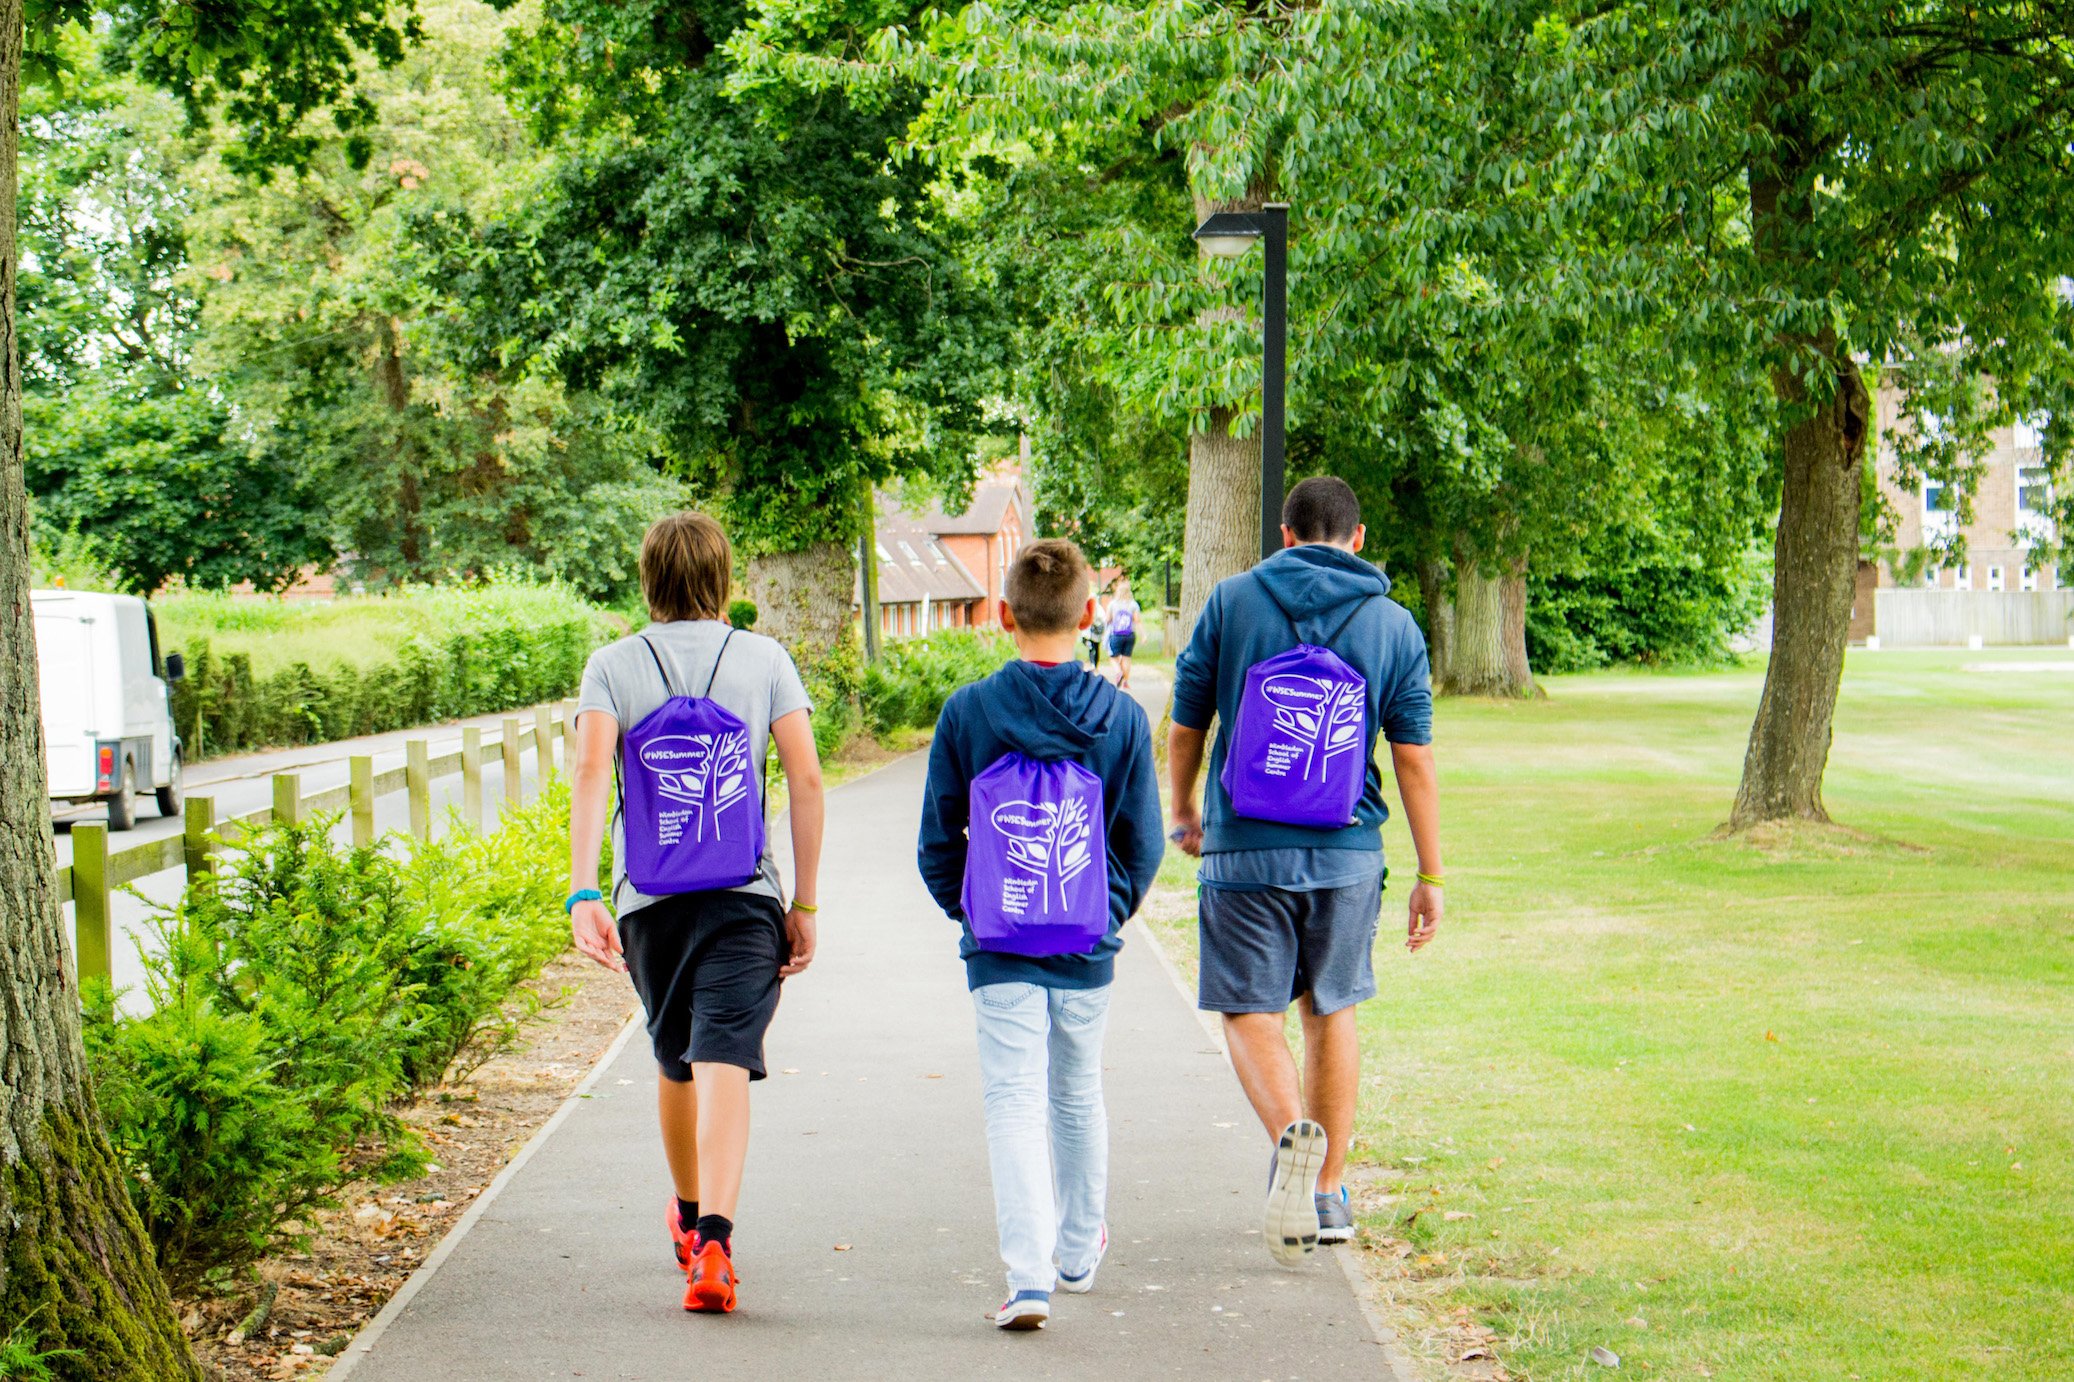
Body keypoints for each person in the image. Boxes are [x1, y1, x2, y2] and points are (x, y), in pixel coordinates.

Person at [1167, 476, 1444, 1267]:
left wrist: (1184, 808)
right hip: (1347, 853)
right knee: (1333, 1008)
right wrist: (1432, 873)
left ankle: (1291, 1135)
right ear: (1358, 539)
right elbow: (1414, 761)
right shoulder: (1392, 623)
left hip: (1244, 846)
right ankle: (1325, 1190)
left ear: (1285, 535)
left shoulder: (1232, 601)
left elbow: (1189, 718)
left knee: (1250, 1007)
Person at [567, 511, 824, 1315]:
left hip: (650, 899)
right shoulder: (764, 658)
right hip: (745, 895)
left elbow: (588, 770)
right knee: (724, 1056)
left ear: (648, 579)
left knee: (678, 1055)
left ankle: (687, 1218)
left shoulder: (612, 663)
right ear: (723, 579)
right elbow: (807, 781)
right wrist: (805, 901)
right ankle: (715, 1240)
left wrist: (582, 892)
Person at [918, 539, 1164, 1331]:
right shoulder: (1122, 718)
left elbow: (936, 842)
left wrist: (980, 912)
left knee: (1012, 1099)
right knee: (1076, 1091)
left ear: (1002, 616)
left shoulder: (968, 713)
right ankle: (1077, 1251)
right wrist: (1102, 909)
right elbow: (1143, 843)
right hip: (1087, 945)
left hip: (1000, 949)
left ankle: (1028, 1279)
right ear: (1090, 615)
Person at [1105, 580, 1142, 689]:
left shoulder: (1112, 604)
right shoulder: (1133, 604)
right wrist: (1143, 635)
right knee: (1126, 658)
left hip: (1116, 635)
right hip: (1130, 635)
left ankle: (1118, 672)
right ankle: (1125, 681)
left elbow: (1107, 619)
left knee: (1113, 657)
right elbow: (1137, 620)